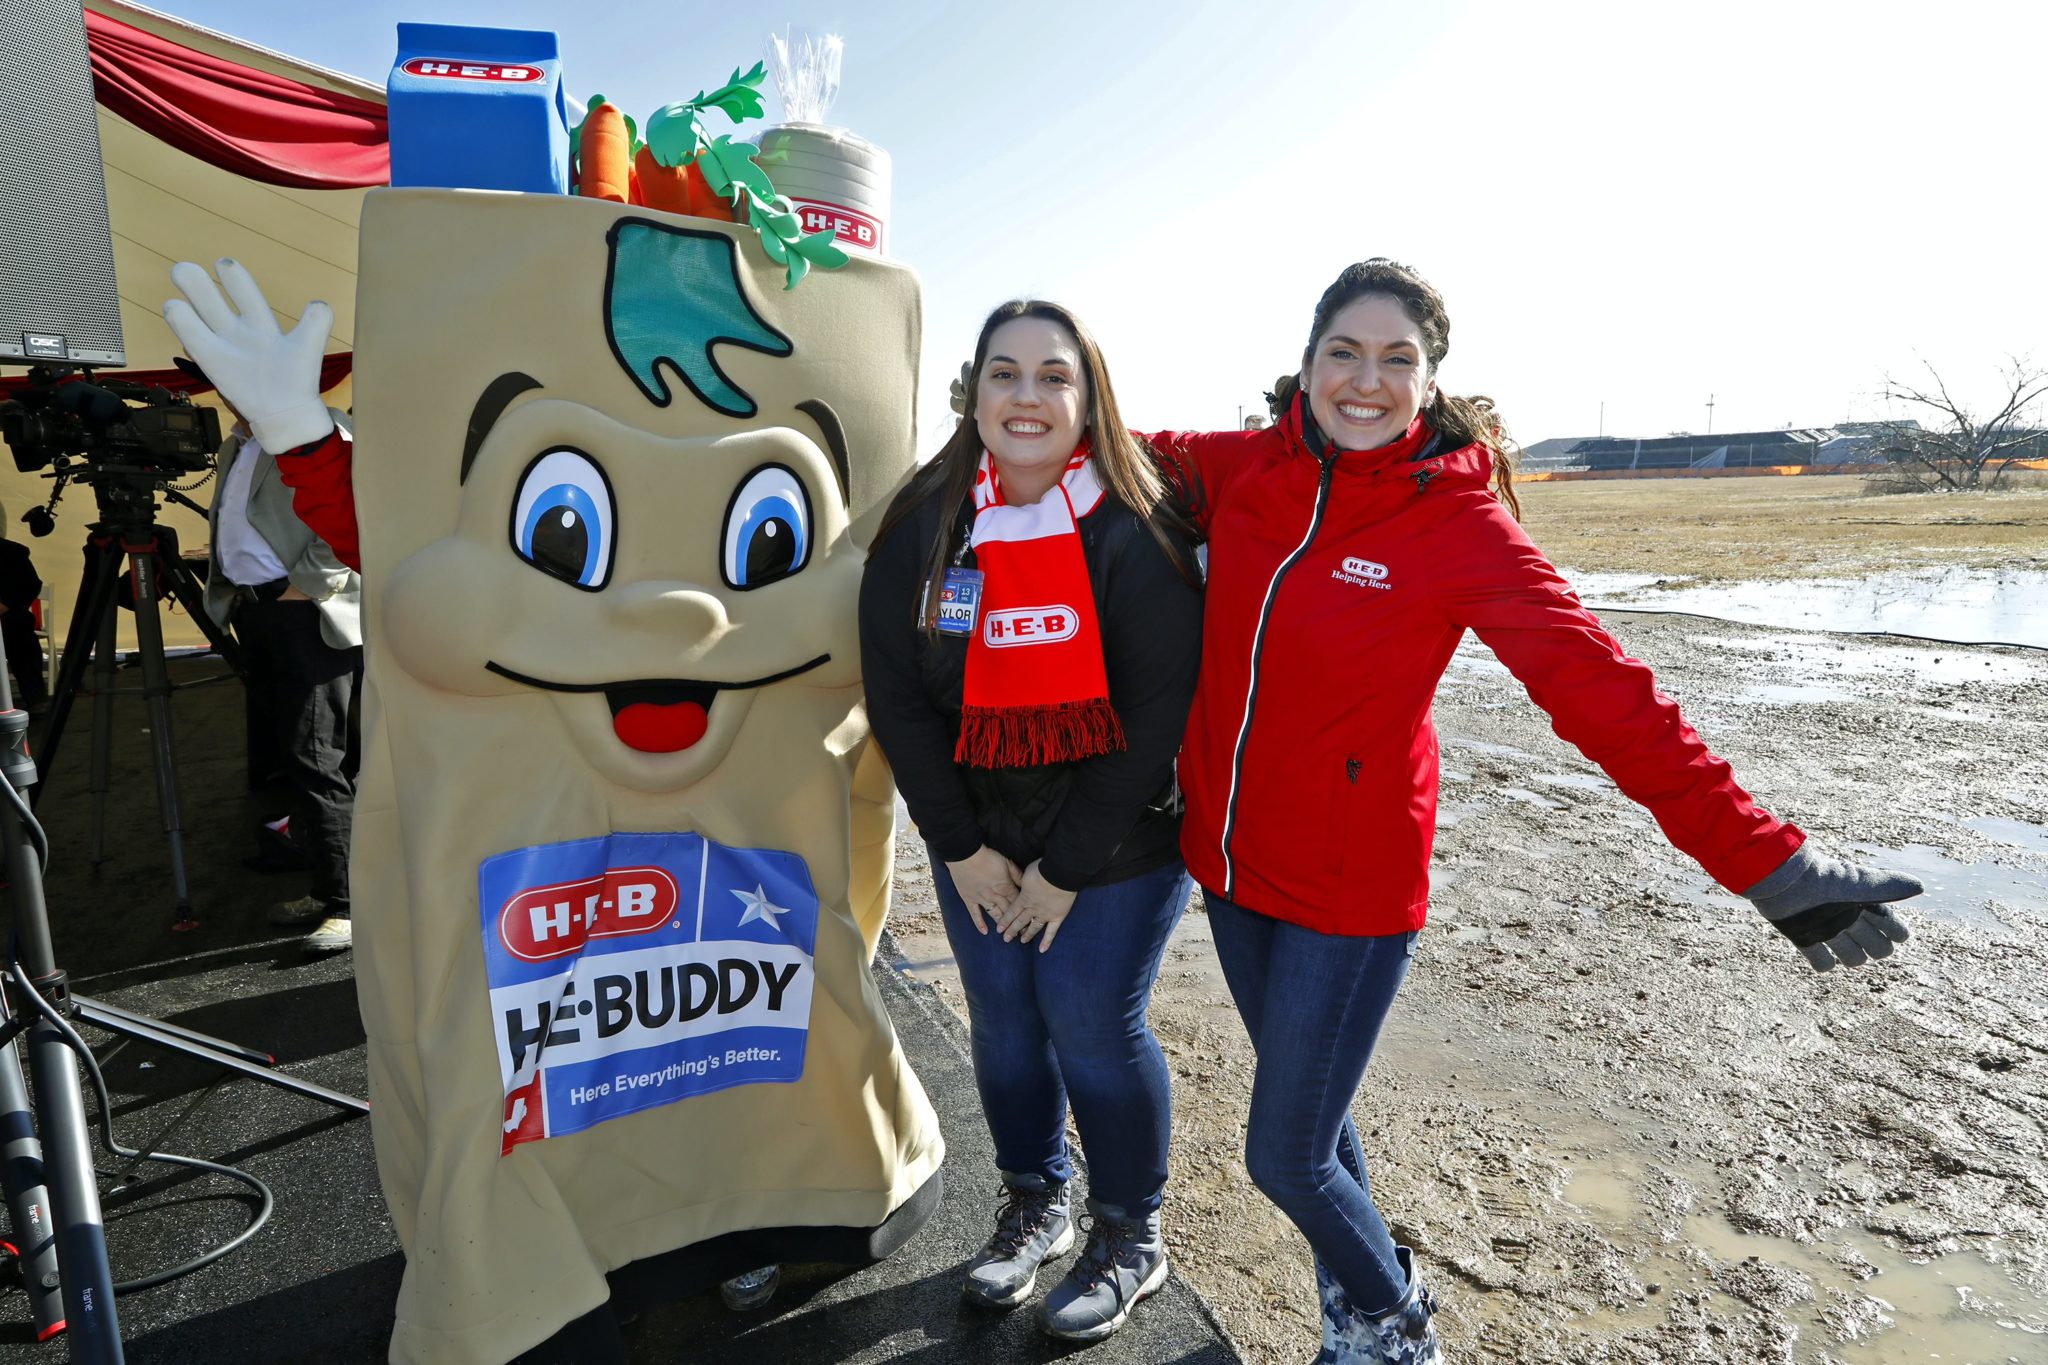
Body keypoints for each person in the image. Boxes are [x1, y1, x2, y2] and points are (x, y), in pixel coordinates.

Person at [1143, 259, 1921, 1365]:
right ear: (1305, 361)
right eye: (1343, 354)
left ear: (1429, 378)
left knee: (1280, 1157)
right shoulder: (1240, 470)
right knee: (1313, 1125)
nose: (1366, 381)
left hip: (1346, 890)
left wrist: (1770, 866)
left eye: (1395, 360)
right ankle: (1356, 1309)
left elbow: (1606, 696)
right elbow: (1093, 435)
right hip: (1226, 871)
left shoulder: (1454, 522)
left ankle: (1395, 1322)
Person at [859, 300, 1204, 1341]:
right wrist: (961, 846)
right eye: (1003, 373)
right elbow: (896, 694)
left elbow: (1153, 723)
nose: (1026, 396)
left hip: (1117, 835)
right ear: (971, 391)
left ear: (1087, 397)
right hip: (979, 838)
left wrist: (1059, 869)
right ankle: (1034, 1199)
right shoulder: (927, 525)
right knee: (1005, 1022)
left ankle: (1128, 1231)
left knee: (1090, 1022)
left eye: (1052, 376)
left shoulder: (1133, 530)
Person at [197, 374, 363, 956]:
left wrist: (305, 587)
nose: (226, 393)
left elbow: (357, 511)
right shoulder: (238, 443)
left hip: (302, 615)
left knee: (317, 757)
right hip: (259, 612)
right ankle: (327, 887)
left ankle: (347, 904)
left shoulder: (319, 431)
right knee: (293, 757)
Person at [0, 506, 47, 710]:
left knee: (20, 632)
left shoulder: (12, 552)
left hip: (9, 618)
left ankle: (34, 697)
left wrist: (7, 604)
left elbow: (31, 584)